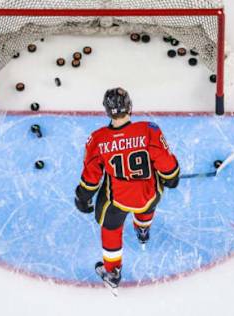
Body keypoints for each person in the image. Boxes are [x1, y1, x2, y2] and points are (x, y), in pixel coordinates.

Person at [74, 87, 180, 290]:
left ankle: (113, 271)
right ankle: (142, 229)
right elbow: (165, 162)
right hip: (148, 193)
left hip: (118, 200)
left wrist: (83, 196)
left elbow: (92, 177)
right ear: (130, 107)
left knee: (110, 227)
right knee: (147, 201)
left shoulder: (98, 138)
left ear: (106, 110)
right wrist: (172, 177)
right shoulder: (150, 129)